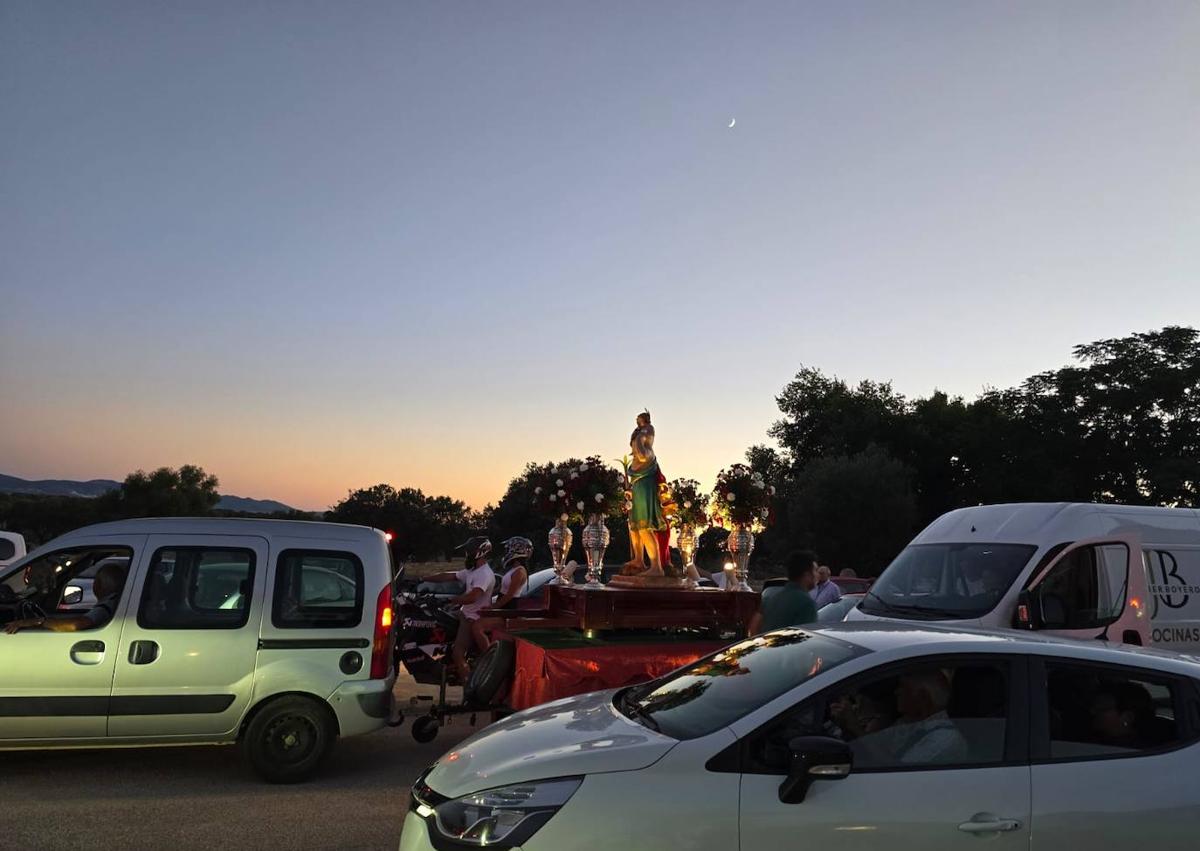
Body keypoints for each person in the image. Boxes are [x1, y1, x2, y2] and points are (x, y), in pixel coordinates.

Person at [834, 669, 967, 766]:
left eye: (903, 687)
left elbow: (894, 769)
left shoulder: (944, 739)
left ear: (923, 697)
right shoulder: (907, 722)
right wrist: (847, 727)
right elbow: (873, 749)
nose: (896, 692)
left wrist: (855, 727)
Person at [423, 536, 496, 683]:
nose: (466, 554)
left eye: (468, 551)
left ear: (479, 552)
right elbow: (449, 576)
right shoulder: (472, 571)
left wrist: (448, 599)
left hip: (472, 618)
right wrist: (423, 579)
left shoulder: (484, 574)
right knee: (437, 618)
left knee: (458, 654)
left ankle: (469, 686)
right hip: (464, 612)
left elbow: (473, 597)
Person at [5, 563, 127, 634]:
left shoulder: (105, 607)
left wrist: (37, 622)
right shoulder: (115, 602)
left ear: (98, 585)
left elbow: (76, 624)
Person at [471, 537, 531, 651]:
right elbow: (501, 588)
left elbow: (509, 595)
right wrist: (483, 592)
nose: (506, 551)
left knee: (477, 627)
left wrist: (493, 608)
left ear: (516, 550)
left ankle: (488, 659)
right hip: (502, 608)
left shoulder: (520, 571)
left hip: (508, 611)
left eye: (508, 549)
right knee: (474, 618)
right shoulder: (514, 569)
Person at [747, 550, 819, 635]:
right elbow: (806, 640)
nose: (818, 575)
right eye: (815, 570)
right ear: (807, 575)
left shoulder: (770, 598)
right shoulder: (807, 604)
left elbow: (754, 627)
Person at [1089, 682, 1154, 749]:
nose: (1092, 711)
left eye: (1102, 708)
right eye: (1094, 705)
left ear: (1127, 717)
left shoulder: (1133, 750)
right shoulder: (1097, 740)